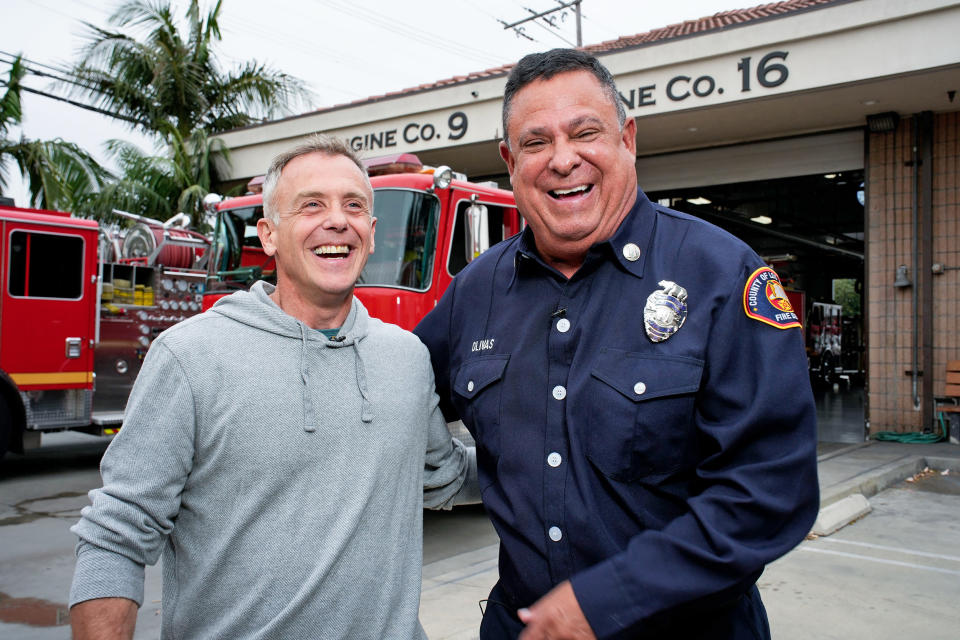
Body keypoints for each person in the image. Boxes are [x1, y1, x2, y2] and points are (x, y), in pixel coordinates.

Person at [414, 49, 819, 640]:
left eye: (585, 133)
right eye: (535, 142)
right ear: (509, 160)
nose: (562, 160)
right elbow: (394, 390)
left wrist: (612, 598)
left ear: (627, 139)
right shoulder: (477, 291)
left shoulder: (721, 275)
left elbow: (768, 489)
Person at [69, 134, 478, 640]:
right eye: (311, 205)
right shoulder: (190, 357)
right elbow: (116, 537)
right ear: (268, 235)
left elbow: (445, 477)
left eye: (354, 206)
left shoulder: (407, 357)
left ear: (371, 234)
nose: (337, 220)